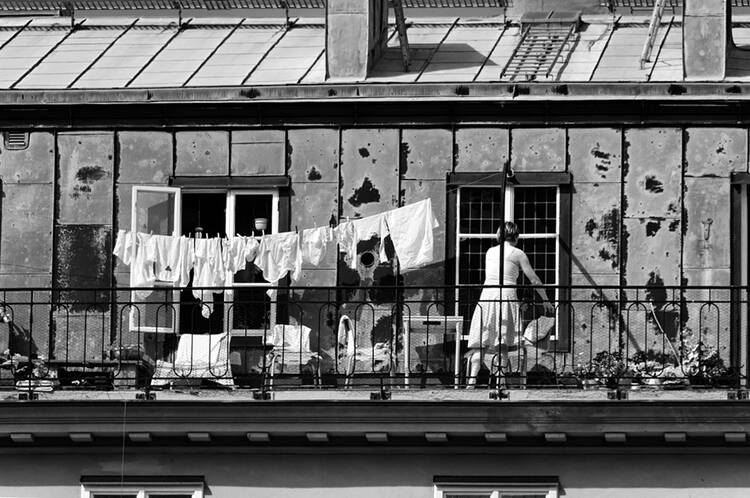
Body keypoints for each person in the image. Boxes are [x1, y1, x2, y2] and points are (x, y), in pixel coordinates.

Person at [466, 221, 554, 387]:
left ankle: (471, 381)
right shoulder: (518, 253)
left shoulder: (490, 252)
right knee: (503, 342)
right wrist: (545, 300)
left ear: (500, 235)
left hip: (487, 295)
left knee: (482, 339)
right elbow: (534, 280)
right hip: (506, 295)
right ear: (516, 236)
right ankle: (500, 382)